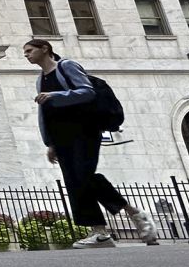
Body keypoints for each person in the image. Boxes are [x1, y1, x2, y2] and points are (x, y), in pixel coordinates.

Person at [24, 39, 158, 247]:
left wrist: (55, 95)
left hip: (84, 130)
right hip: (61, 137)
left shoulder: (66, 66)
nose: (26, 55)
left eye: (29, 50)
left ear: (45, 49)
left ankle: (133, 214)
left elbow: (87, 91)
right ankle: (101, 231)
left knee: (83, 176)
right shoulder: (40, 79)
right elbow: (47, 113)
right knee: (75, 182)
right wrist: (50, 143)